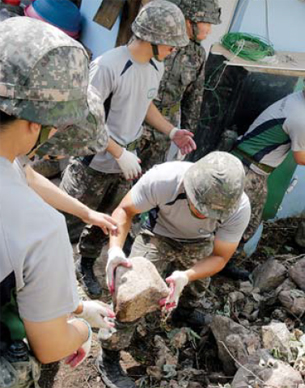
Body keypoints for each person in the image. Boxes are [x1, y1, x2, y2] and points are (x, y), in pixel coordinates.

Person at [0, 18, 118, 387]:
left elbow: (25, 174)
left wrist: (84, 212)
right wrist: (82, 327)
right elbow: (51, 346)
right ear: (36, 124)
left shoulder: (12, 168)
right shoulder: (36, 226)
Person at [60, 0, 193, 298]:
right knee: (66, 219)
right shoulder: (108, 66)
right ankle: (44, 273)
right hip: (92, 162)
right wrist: (118, 152)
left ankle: (86, 264)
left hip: (126, 165)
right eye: (171, 44)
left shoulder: (155, 66)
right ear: (153, 39)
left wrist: (172, 131)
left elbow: (145, 105)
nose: (174, 50)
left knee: (107, 220)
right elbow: (84, 116)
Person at [94, 152, 250, 388]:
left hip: (200, 242)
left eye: (211, 213)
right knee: (131, 292)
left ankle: (184, 312)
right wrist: (115, 251)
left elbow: (220, 256)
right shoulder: (164, 179)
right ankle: (110, 354)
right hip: (158, 234)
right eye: (199, 206)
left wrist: (186, 276)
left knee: (198, 285)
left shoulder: (239, 207)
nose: (203, 214)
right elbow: (125, 211)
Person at [225, 62, 305, 277]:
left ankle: (226, 263)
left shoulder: (301, 101)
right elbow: (302, 158)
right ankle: (213, 266)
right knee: (233, 222)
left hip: (252, 168)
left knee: (251, 222)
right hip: (248, 172)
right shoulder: (300, 120)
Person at [138, 0, 221, 171]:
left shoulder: (197, 54)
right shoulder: (156, 40)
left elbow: (194, 98)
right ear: (190, 21)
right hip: (137, 120)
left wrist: (188, 135)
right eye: (207, 23)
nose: (209, 30)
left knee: (148, 180)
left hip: (165, 130)